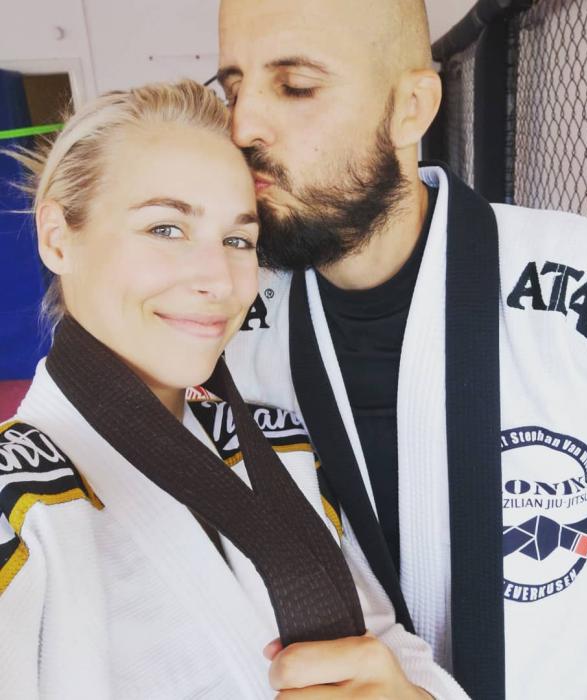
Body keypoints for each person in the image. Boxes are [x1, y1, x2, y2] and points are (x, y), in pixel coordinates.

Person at [217, 0, 587, 698]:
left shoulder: (570, 280)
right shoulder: (227, 318)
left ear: (411, 108)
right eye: (233, 89)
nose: (242, 127)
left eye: (295, 86)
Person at [0, 80, 467, 699]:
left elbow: (380, 642)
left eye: (238, 240)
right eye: (165, 228)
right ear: (58, 237)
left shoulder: (278, 446)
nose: (219, 279)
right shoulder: (20, 502)